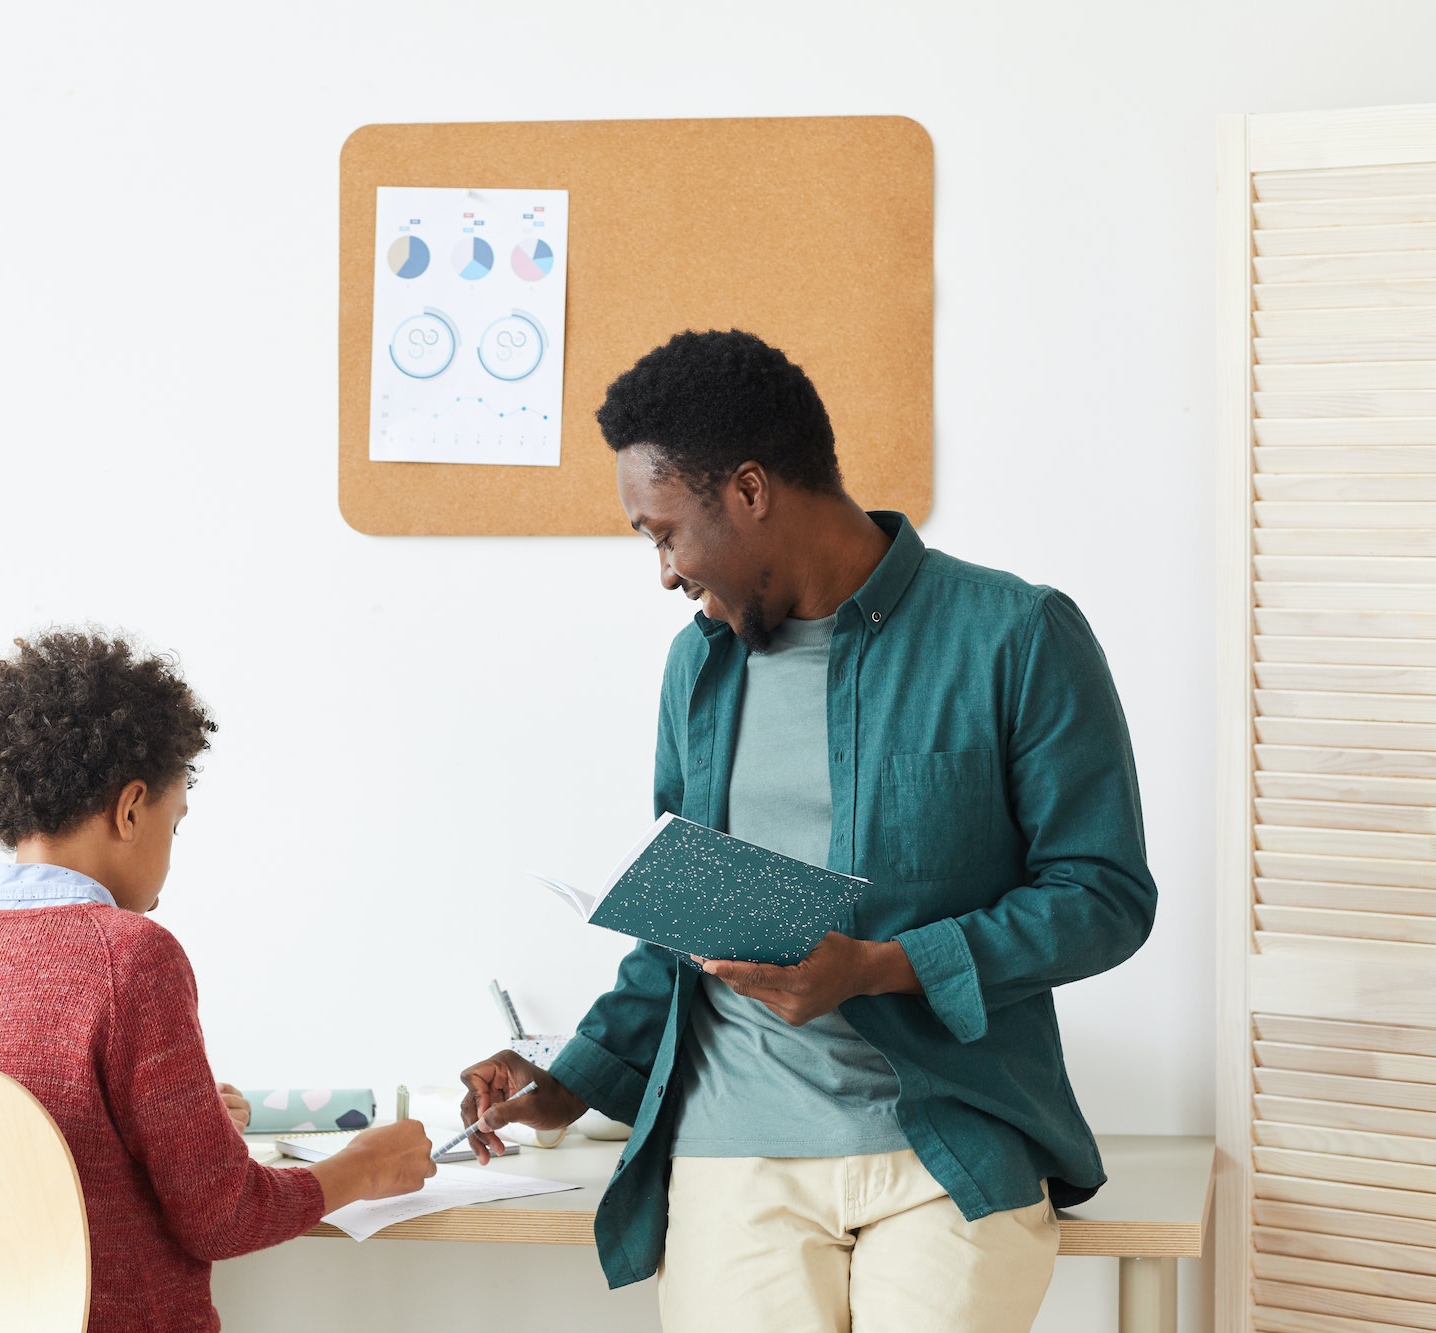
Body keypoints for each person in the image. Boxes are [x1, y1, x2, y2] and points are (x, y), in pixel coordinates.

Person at [459, 330, 1156, 1333]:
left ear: (747, 490)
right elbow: (679, 930)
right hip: (733, 1148)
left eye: (663, 532)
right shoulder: (696, 668)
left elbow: (1101, 896)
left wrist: (878, 965)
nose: (660, 571)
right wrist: (562, 1079)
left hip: (946, 1143)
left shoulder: (1014, 635)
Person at [0, 630, 433, 1332]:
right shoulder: (130, 956)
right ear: (129, 808)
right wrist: (362, 1165)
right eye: (173, 825)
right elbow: (224, 1216)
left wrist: (182, 1119)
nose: (170, 861)